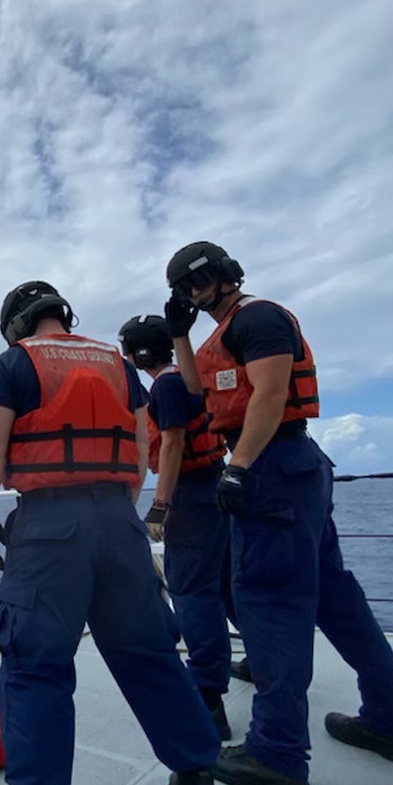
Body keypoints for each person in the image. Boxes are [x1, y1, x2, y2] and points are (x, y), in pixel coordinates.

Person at [0, 281, 225, 785]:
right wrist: (117, 511)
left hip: (50, 526)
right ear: (64, 316)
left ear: (17, 324)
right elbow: (141, 445)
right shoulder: (116, 362)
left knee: (35, 666)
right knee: (151, 656)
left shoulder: (14, 363)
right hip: (118, 520)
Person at [165, 242, 393, 785]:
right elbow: (195, 391)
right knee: (335, 596)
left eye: (196, 285)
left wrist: (239, 467)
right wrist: (179, 334)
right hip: (290, 470)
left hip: (272, 468)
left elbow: (271, 392)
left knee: (269, 606)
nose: (193, 296)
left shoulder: (257, 318)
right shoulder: (224, 332)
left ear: (220, 278)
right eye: (186, 291)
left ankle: (277, 753)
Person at [118, 314, 233, 739]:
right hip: (215, 486)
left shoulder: (165, 386)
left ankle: (207, 697)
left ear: (140, 354)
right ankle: (257, 662)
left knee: (190, 590)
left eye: (128, 352)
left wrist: (160, 505)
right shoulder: (182, 379)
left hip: (191, 493)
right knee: (224, 583)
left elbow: (172, 444)